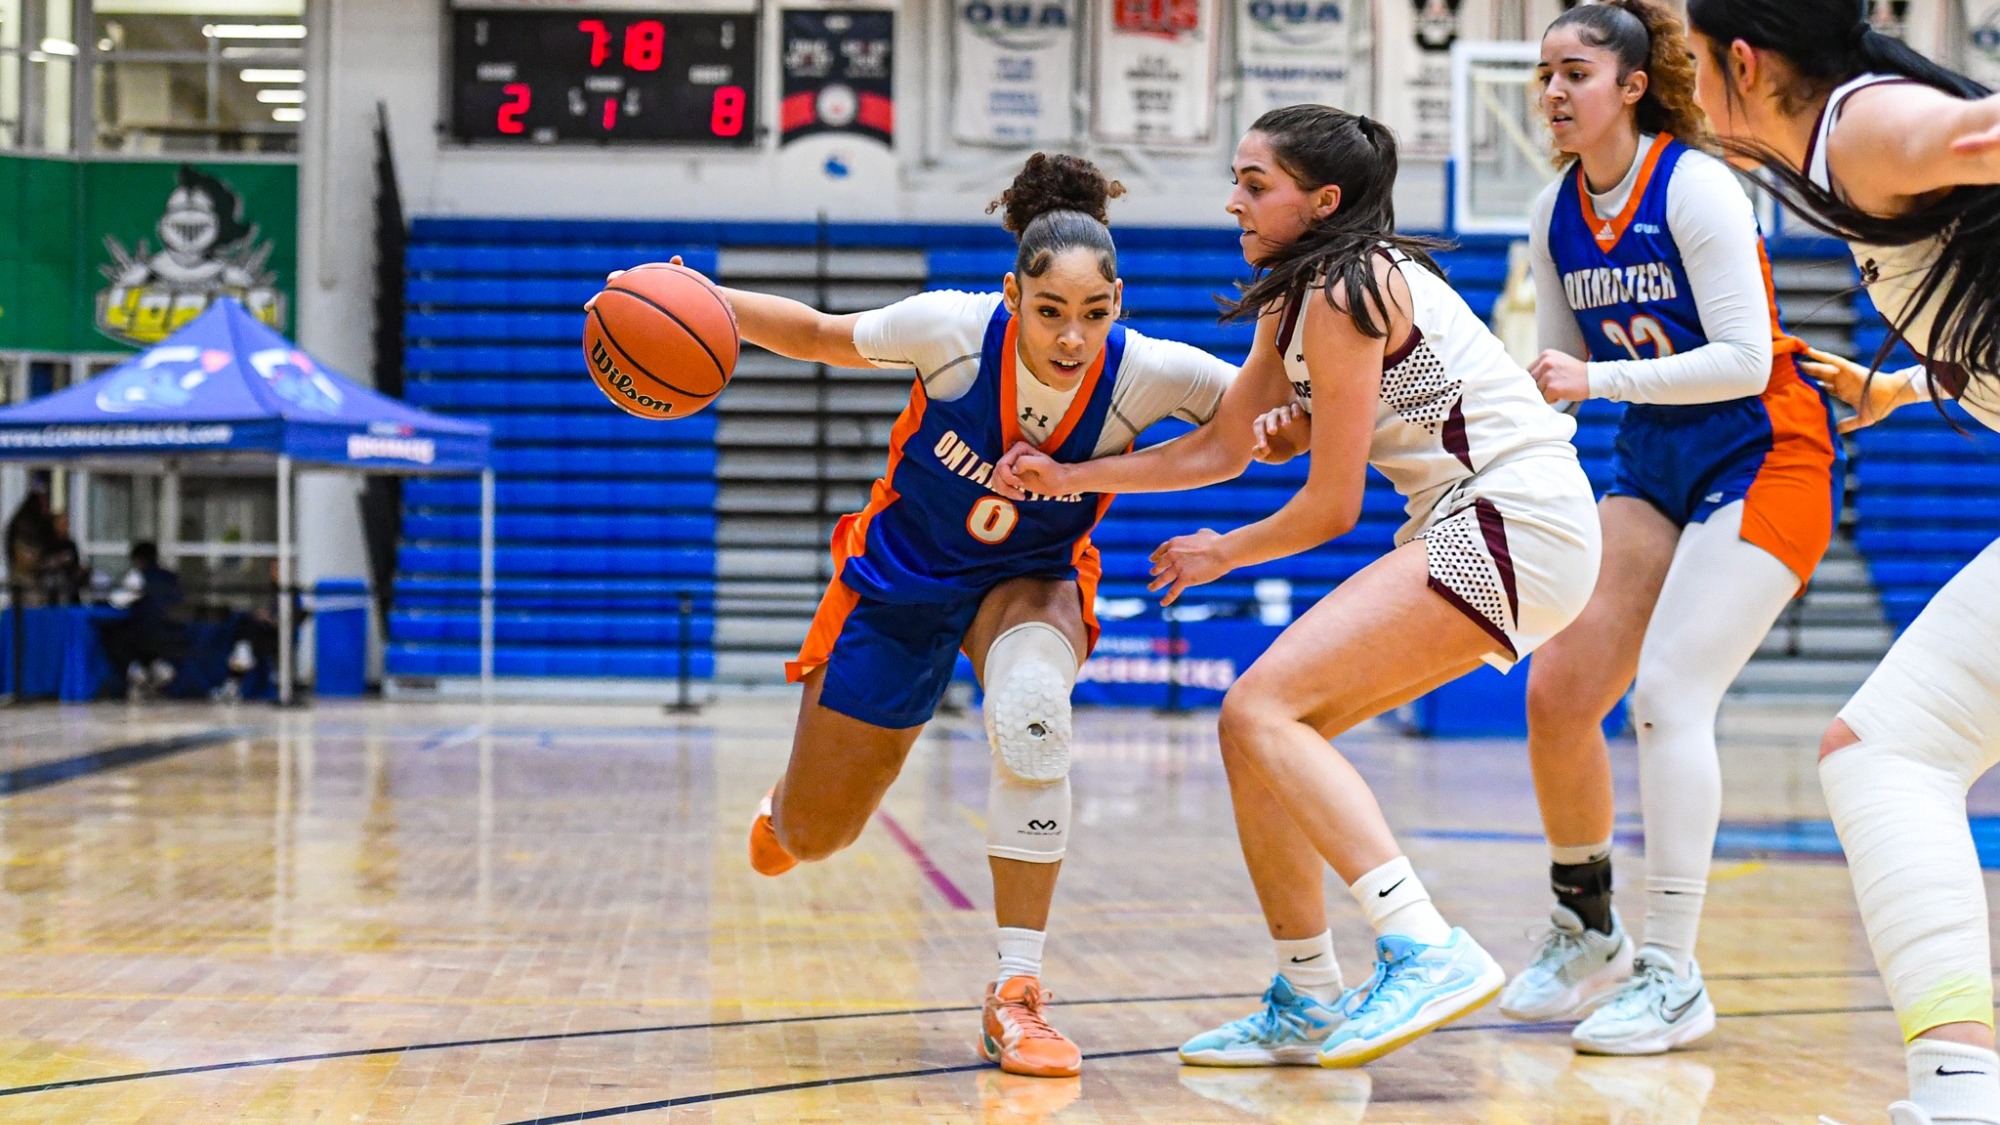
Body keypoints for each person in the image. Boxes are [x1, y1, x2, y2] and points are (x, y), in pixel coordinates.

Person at [999, 105, 1601, 1068]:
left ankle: (1424, 943)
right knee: (1258, 734)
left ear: (1321, 202)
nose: (1232, 201)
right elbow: (1221, 447)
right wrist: (1069, 476)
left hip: (1513, 515)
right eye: (1236, 180)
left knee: (1262, 706)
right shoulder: (1301, 297)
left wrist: (1223, 551)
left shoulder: (1344, 285)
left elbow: (1330, 506)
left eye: (1255, 184)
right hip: (1496, 524)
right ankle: (1308, 992)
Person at [640, 153, 1237, 1079]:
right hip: (901, 582)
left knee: (1033, 714)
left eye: (1094, 312)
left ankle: (1017, 990)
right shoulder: (951, 331)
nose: (1072, 336)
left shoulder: (1150, 374)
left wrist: (1288, 423)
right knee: (816, 836)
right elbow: (818, 334)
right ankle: (786, 814)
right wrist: (700, 297)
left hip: (1030, 580)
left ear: (1119, 301)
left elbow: (1261, 422)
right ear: (1012, 295)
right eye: (1050, 311)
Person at [1500, 0, 1839, 1056]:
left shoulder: (1693, 185)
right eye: (1544, 75)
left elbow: (1744, 358)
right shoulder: (1552, 212)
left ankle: (1673, 974)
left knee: (1669, 693)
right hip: (1654, 460)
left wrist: (1594, 379)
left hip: (1766, 453)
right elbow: (1555, 378)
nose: (1554, 92)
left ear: (1632, 86)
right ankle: (1587, 930)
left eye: (1575, 73)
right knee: (1559, 691)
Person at [1681, 1, 2000, 1121]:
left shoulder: (1863, 128)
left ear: (1743, 61)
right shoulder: (1849, 146)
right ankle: (1956, 1091)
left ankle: (1960, 1094)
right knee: (1882, 751)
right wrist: (1902, 386)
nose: (1687, 89)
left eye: (1692, 63)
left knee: (1887, 752)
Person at [98, 541, 185, 698]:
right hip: (176, 633)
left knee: (113, 635)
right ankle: (157, 667)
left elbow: (117, 601)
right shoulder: (170, 577)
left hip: (148, 634)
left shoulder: (137, 577)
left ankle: (136, 672)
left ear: (139, 560)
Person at [5, 488, 54, 606]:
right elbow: (25, 559)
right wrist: (41, 564)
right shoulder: (24, 528)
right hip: (25, 578)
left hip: (33, 578)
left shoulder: (35, 527)